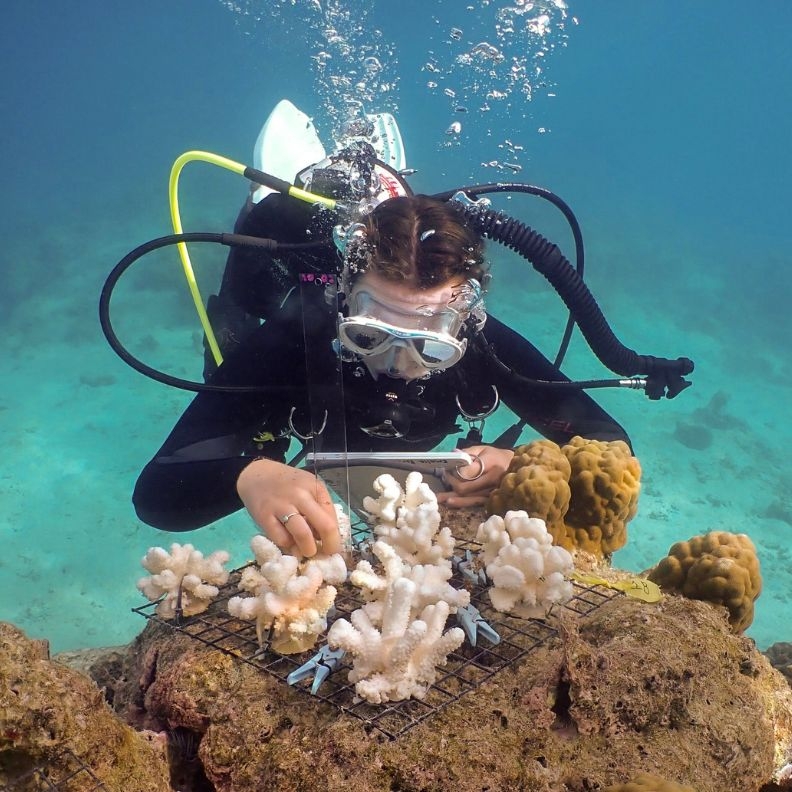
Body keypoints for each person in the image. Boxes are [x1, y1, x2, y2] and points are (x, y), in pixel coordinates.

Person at [133, 191, 632, 558]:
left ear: (468, 319)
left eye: (431, 347)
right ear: (345, 298)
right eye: (370, 336)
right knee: (230, 335)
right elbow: (157, 496)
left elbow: (609, 440)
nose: (398, 365)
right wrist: (249, 474)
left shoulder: (485, 343)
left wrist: (520, 461)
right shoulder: (291, 341)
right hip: (276, 339)